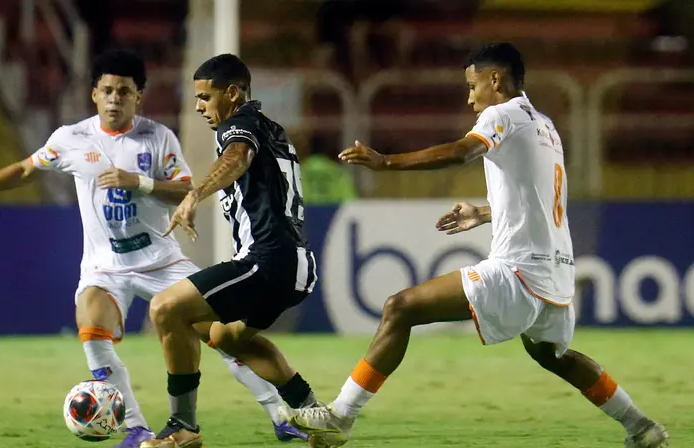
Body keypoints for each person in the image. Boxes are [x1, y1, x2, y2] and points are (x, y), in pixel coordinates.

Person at [281, 42, 670, 448]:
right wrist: (486, 213)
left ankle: (341, 416)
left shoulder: (501, 115)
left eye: (472, 86)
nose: (470, 98)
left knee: (400, 307)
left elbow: (460, 152)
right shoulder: (545, 124)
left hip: (517, 270)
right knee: (552, 356)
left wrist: (386, 162)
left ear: (495, 80)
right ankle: (642, 428)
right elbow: (537, 197)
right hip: (554, 271)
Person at [0, 49, 307, 448]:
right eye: (106, 90)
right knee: (91, 326)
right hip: (105, 267)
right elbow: (23, 170)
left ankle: (280, 414)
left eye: (124, 91)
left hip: (163, 261)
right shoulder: (70, 139)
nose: (114, 99)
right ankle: (136, 428)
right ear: (93, 94)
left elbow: (184, 191)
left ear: (138, 96)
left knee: (221, 336)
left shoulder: (158, 138)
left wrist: (138, 182)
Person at [140, 54, 319, 448]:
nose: (200, 107)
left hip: (267, 259)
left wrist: (195, 194)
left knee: (165, 309)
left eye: (205, 97)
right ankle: (314, 415)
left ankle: (182, 426)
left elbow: (237, 155)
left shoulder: (238, 127)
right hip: (296, 263)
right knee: (225, 335)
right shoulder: (271, 128)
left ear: (233, 93)